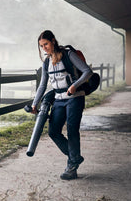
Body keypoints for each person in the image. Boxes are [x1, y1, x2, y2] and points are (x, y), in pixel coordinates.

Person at [31, 30, 93, 180]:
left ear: (53, 41)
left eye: (45, 44)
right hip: (58, 99)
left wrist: (75, 85)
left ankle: (71, 167)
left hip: (75, 97)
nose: (44, 48)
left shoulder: (68, 55)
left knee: (72, 130)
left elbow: (87, 72)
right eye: (41, 46)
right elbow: (42, 85)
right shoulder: (46, 62)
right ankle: (75, 157)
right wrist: (34, 103)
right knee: (53, 131)